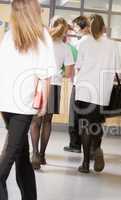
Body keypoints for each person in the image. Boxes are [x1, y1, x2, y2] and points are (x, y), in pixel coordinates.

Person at [0, 0, 56, 199]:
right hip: (6, 105)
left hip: (22, 107)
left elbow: (46, 74)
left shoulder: (42, 37)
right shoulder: (9, 36)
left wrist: (43, 104)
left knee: (2, 169)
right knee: (22, 157)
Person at [75, 14, 120, 173]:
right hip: (102, 91)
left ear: (88, 26)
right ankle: (97, 148)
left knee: (85, 126)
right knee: (96, 123)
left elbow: (78, 66)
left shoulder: (83, 42)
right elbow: (116, 69)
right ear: (104, 28)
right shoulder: (112, 44)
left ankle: (86, 164)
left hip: (84, 90)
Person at [30, 16, 74, 170]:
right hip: (54, 85)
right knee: (48, 122)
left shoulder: (41, 43)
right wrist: (58, 73)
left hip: (40, 86)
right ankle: (42, 155)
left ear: (51, 25)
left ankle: (34, 153)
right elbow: (69, 73)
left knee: (35, 121)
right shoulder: (66, 47)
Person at [63, 16, 90, 154]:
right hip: (91, 85)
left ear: (82, 27)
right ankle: (88, 147)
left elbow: (75, 65)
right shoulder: (94, 41)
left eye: (76, 27)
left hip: (79, 83)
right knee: (87, 116)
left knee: (74, 115)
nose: (74, 29)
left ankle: (75, 144)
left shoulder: (81, 43)